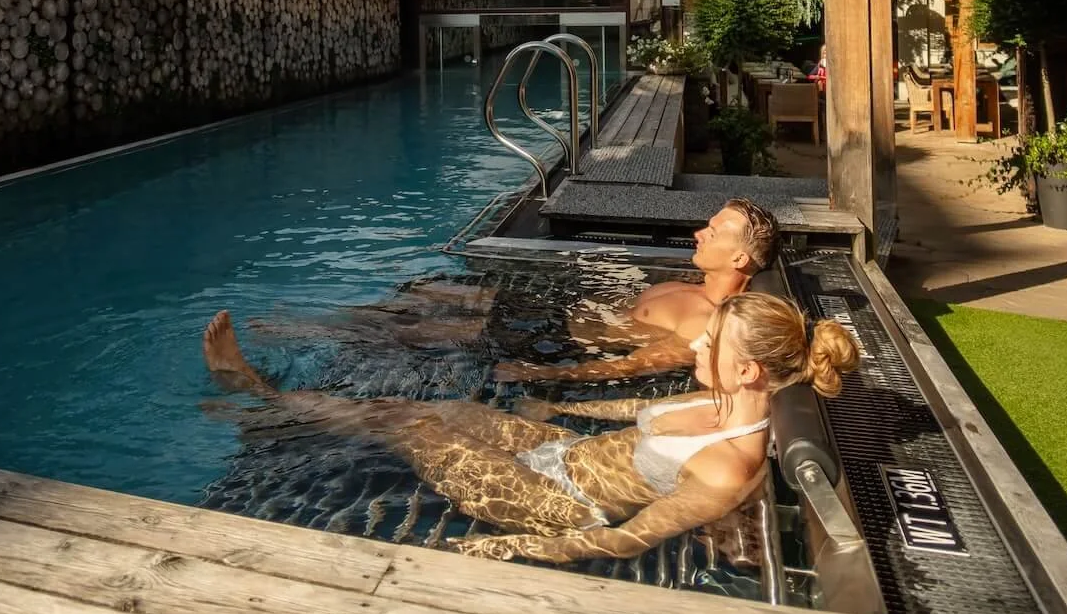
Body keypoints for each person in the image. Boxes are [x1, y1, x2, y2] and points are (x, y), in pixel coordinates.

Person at [200, 293, 858, 565]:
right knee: (440, 414)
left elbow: (625, 539)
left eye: (709, 343)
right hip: (563, 453)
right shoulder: (716, 398)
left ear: (746, 371)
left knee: (414, 424)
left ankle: (260, 396)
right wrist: (556, 415)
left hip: (560, 501)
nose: (695, 347)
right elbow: (631, 420)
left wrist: (516, 549)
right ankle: (274, 406)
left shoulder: (725, 469)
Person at [492, 197, 781, 387]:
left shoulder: (703, 325)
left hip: (558, 345)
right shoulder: (696, 287)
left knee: (464, 317)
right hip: (562, 315)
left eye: (713, 233)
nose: (698, 234)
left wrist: (538, 373)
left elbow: (628, 366)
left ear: (739, 259)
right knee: (473, 296)